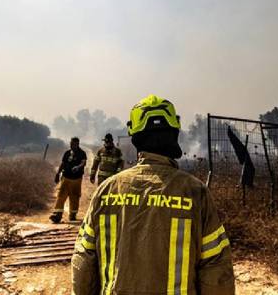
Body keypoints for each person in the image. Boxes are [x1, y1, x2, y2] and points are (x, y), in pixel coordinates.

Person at [72, 95, 235, 294]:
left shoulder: (106, 190)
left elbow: (84, 258)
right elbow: (216, 266)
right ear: (174, 133)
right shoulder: (195, 193)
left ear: (136, 138)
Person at [49, 137, 87, 223]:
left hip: (76, 179)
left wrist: (78, 167)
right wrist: (57, 174)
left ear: (77, 144)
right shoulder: (67, 153)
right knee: (61, 195)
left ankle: (72, 214)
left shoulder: (82, 153)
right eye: (70, 143)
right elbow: (62, 163)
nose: (71, 145)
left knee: (75, 197)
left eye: (73, 144)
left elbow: (83, 163)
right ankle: (57, 215)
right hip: (65, 178)